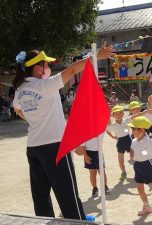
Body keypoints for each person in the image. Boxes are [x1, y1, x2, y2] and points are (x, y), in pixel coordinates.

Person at [12, 44, 114, 220]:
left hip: (34, 146)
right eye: (46, 65)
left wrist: (34, 120)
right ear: (37, 68)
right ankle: (77, 220)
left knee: (40, 194)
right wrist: (97, 56)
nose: (48, 68)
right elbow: (73, 69)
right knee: (67, 191)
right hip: (55, 146)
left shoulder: (20, 90)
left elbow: (18, 110)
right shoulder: (45, 86)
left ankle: (45, 221)